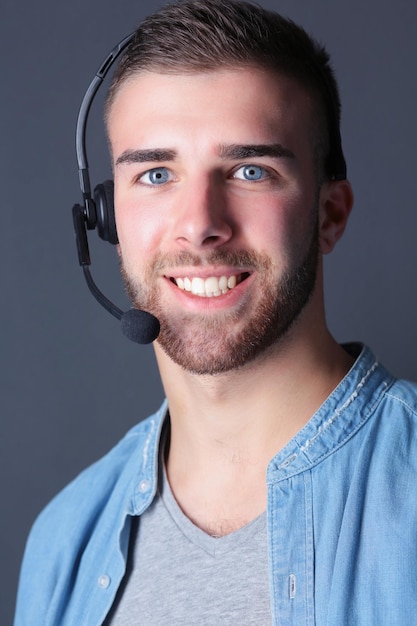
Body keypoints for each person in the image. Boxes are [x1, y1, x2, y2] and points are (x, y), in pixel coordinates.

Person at [14, 1, 417, 624]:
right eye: (154, 174)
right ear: (104, 216)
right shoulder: (62, 540)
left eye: (250, 170)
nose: (200, 225)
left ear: (329, 214)